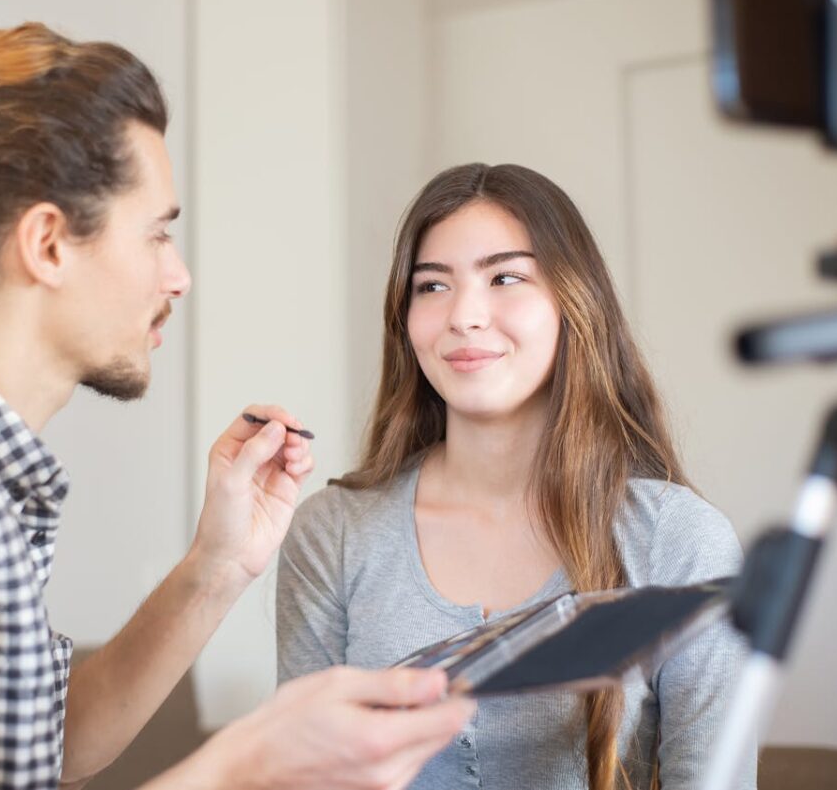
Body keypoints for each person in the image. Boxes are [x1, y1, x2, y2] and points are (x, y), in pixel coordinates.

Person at [0, 23, 474, 790]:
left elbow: (43, 745)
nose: (178, 277)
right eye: (155, 236)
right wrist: (248, 767)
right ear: (48, 244)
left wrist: (217, 566)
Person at [276, 163, 757, 790]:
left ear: (573, 302)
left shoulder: (680, 540)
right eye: (431, 286)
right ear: (405, 319)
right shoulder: (332, 533)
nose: (465, 316)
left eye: (505, 276)